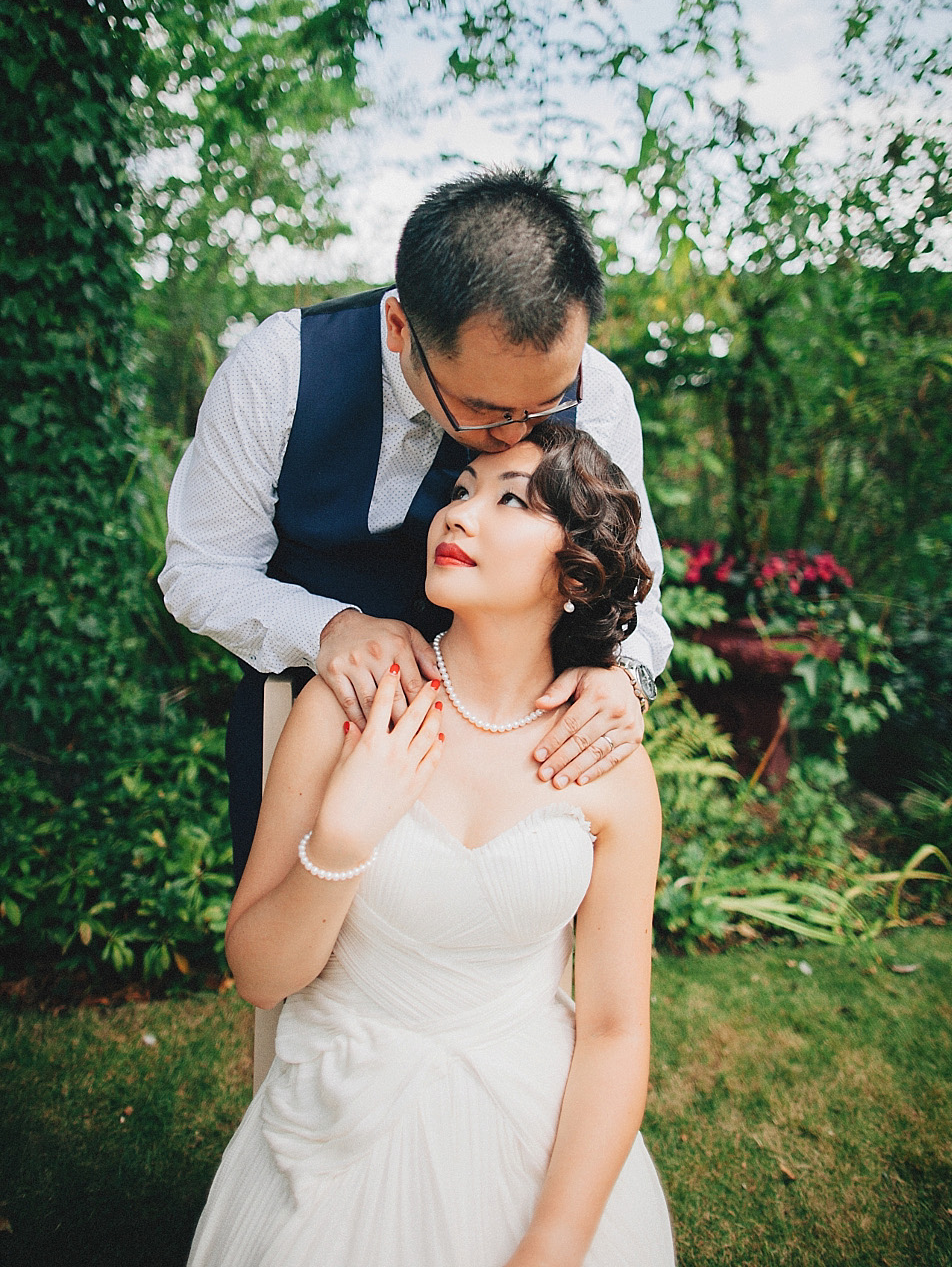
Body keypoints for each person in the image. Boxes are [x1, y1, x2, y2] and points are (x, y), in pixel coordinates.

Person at [187, 421, 674, 1267]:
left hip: (535, 1114)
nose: (459, 516)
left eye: (510, 498)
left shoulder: (607, 764)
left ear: (576, 571)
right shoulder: (345, 710)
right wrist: (343, 835)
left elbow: (612, 1029)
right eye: (459, 492)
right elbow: (260, 977)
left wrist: (555, 1241)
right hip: (342, 1109)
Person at [159, 169, 672, 880]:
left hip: (515, 753)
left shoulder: (598, 389)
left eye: (548, 400)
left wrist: (629, 673)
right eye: (486, 408)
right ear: (401, 327)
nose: (519, 430)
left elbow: (631, 573)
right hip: (308, 721)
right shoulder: (281, 367)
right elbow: (200, 571)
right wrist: (327, 629)